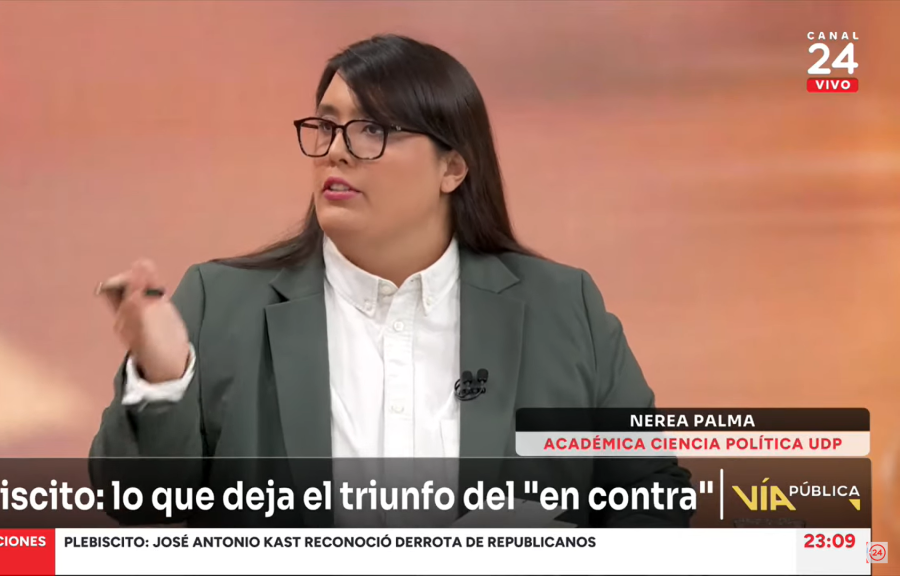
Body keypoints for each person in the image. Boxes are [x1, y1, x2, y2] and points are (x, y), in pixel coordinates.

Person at [90, 34, 692, 528]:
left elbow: (652, 496)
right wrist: (163, 382)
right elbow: (139, 509)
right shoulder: (221, 303)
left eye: (373, 130)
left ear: (452, 168)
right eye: (327, 127)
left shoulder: (562, 309)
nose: (336, 152)